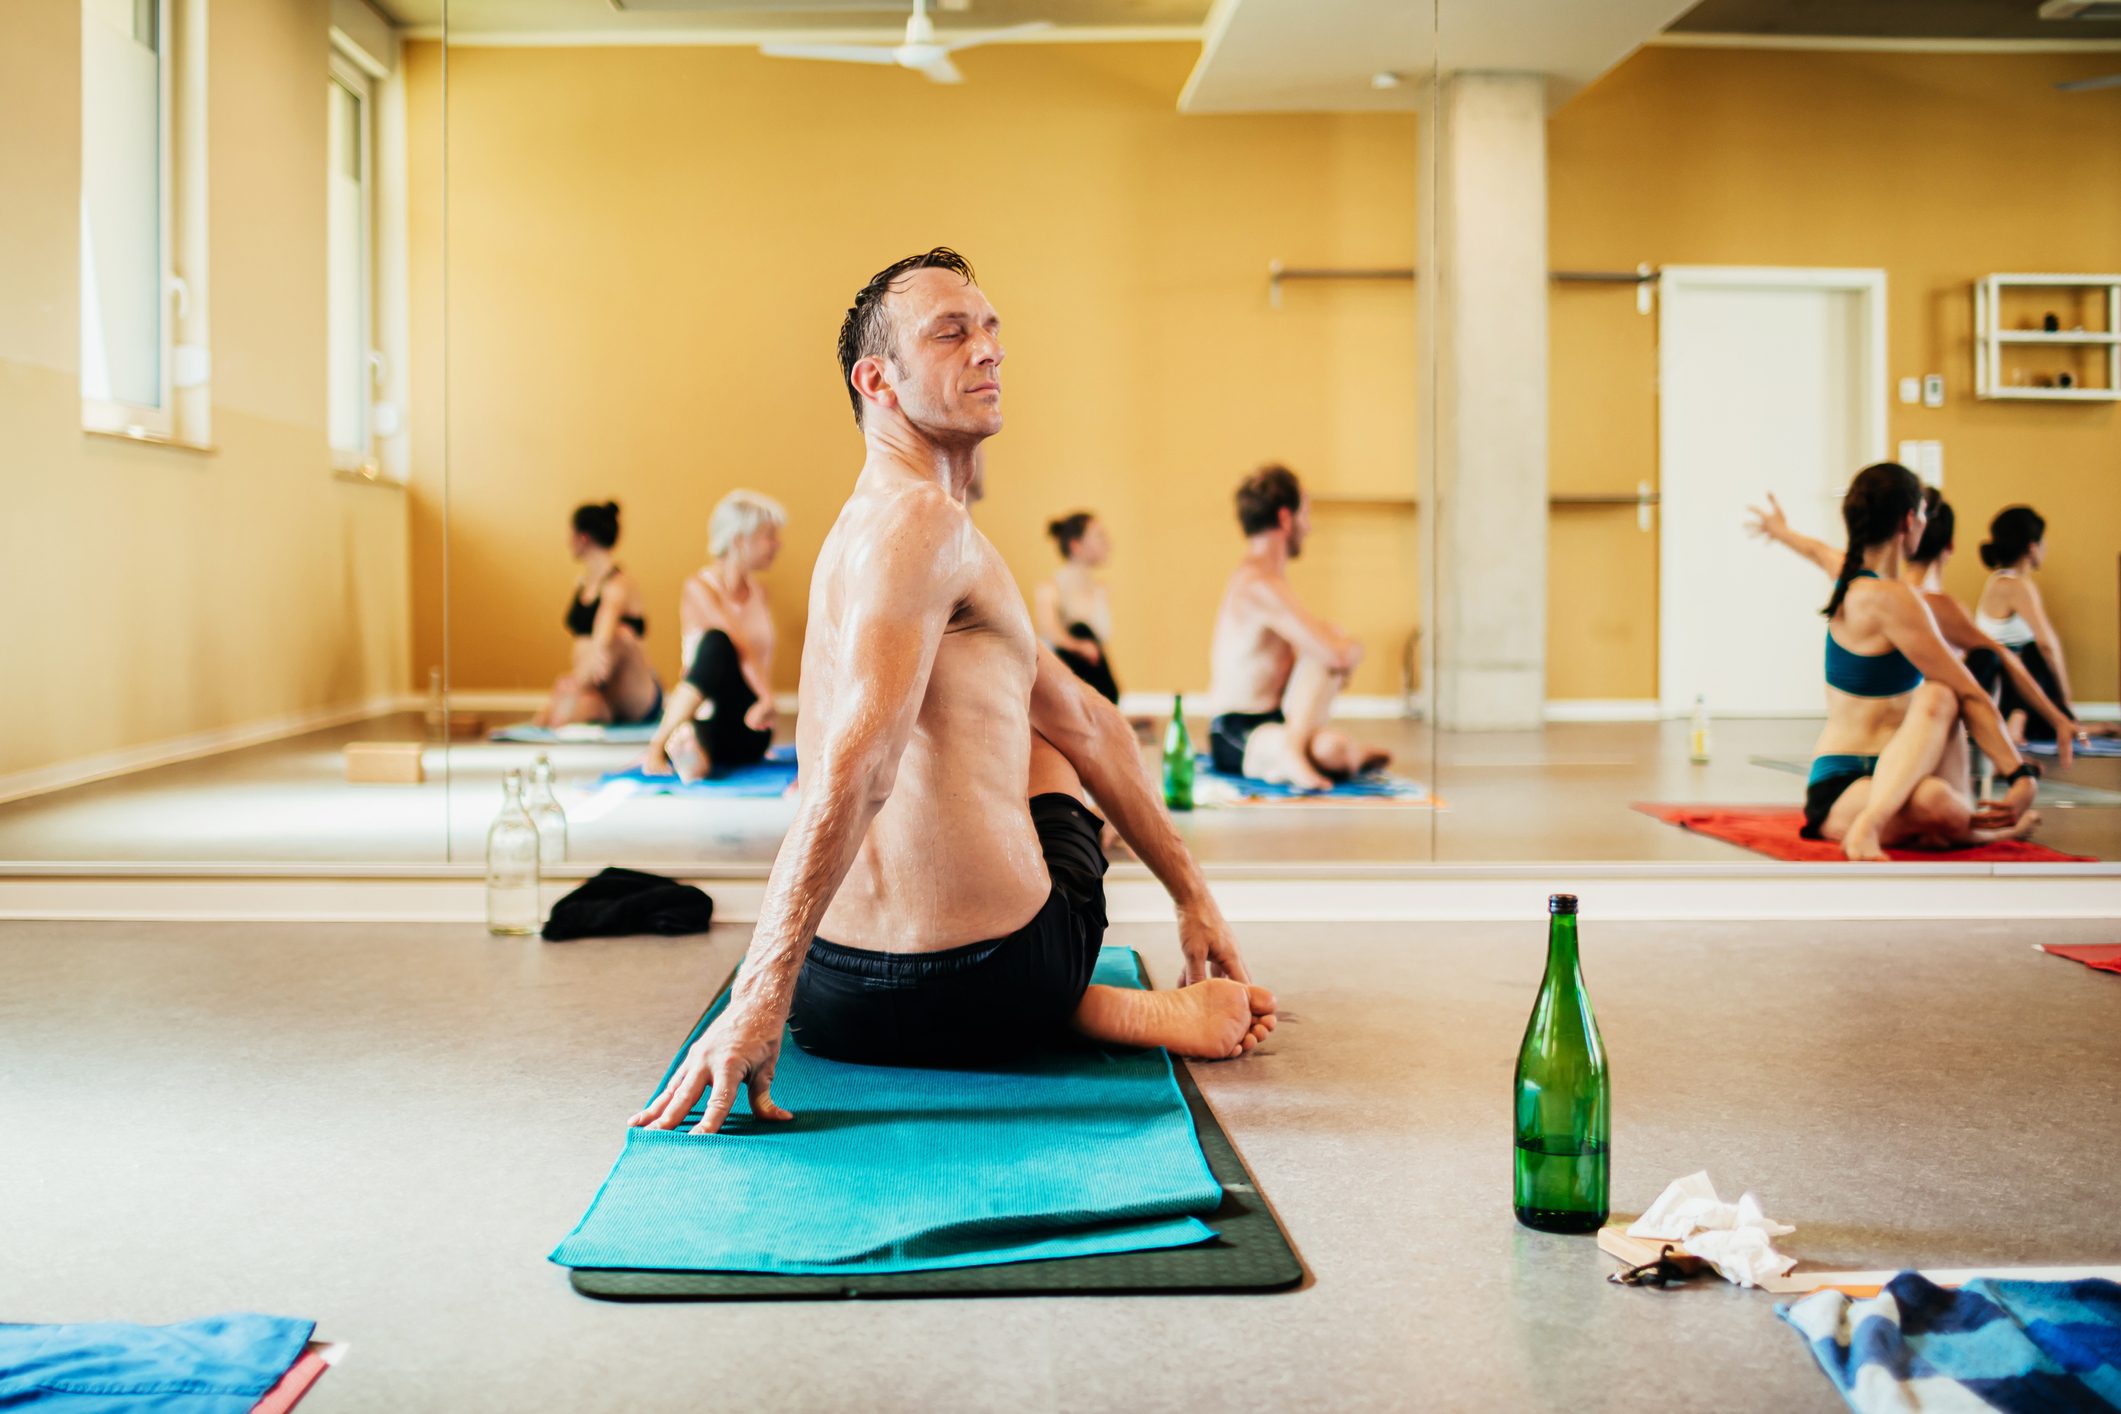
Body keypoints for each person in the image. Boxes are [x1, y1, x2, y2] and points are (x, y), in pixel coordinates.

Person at [631, 249, 1274, 1136]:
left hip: (836, 1000)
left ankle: (1068, 1006)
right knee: (1049, 733)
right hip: (997, 982)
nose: (988, 351)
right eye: (950, 333)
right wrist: (752, 997)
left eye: (990, 329)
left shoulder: (861, 526)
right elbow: (879, 766)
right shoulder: (927, 522)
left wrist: (783, 988)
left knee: (1031, 700)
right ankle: (1091, 1007)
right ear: (877, 381)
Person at [1750, 463, 2041, 861]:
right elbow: (1970, 692)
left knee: (1934, 789)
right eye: (1922, 511)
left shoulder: (1849, 573)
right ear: (1909, 520)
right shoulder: (1895, 600)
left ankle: (1900, 827)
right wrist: (2019, 775)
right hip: (1844, 787)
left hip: (1901, 775)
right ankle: (1875, 826)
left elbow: (1816, 550)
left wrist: (1779, 531)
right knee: (1942, 701)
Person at [1747, 486, 2081, 772]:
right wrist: (2058, 717)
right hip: (1911, 751)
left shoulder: (1863, 584)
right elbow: (2005, 659)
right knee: (1954, 690)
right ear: (1945, 546)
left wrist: (1779, 530)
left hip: (1854, 751)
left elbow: (1816, 550)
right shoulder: (1933, 605)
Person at [1202, 465, 1390, 791]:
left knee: (1336, 750)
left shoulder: (1268, 580)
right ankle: (1294, 752)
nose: (1310, 527)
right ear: (1286, 518)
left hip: (1276, 722)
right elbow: (1336, 656)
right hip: (1236, 732)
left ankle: (1337, 754)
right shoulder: (1257, 584)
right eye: (1307, 514)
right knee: (1331, 646)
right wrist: (1353, 649)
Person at [640, 490, 787, 781]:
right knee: (718, 642)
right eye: (769, 536)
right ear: (739, 540)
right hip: (707, 711)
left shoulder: (760, 593)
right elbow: (740, 644)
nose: (777, 545)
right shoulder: (699, 587)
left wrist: (762, 706)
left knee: (748, 737)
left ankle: (694, 750)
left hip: (748, 719)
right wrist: (767, 696)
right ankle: (664, 743)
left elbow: (759, 657)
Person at [1974, 506, 2115, 748]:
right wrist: (2067, 702)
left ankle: (2053, 724)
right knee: (2032, 652)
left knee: (2026, 652)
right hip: (2004, 697)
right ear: (2032, 546)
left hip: (2010, 695)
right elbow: (2047, 645)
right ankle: (2016, 724)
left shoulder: (1998, 582)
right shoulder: (2017, 585)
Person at [533, 502, 664, 728]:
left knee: (621, 635)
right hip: (599, 688)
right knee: (553, 717)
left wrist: (579, 677)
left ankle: (577, 684)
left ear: (582, 538)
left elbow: (606, 625)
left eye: (570, 534)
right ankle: (578, 690)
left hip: (632, 694)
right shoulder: (581, 583)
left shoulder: (619, 585)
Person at [1034, 512, 1120, 704]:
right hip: (1065, 690)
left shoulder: (1101, 591)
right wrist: (1079, 647)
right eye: (1099, 536)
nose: (1107, 542)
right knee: (1080, 629)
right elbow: (1049, 634)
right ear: (1076, 545)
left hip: (1097, 690)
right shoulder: (1050, 589)